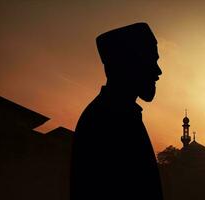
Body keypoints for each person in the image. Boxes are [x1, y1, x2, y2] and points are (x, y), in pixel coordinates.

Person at [70, 22, 163, 199]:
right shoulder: (106, 121)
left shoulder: (117, 114)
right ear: (129, 64)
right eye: (151, 60)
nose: (158, 71)